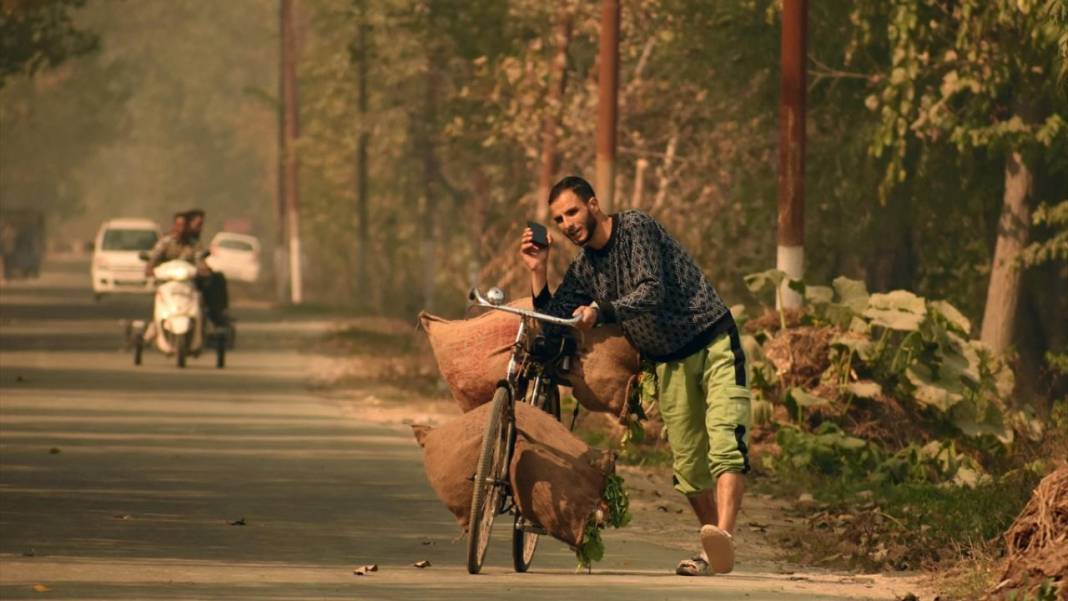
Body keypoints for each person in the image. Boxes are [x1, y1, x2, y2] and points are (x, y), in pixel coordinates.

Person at [520, 175, 751, 576]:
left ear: (593, 204)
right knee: (688, 465)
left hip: (713, 339)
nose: (567, 223)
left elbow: (652, 291)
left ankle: (724, 536)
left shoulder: (636, 227)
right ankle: (716, 549)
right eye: (558, 220)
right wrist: (538, 271)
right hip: (668, 361)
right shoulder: (583, 269)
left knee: (726, 439)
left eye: (572, 211)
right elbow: (554, 323)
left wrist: (600, 311)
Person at [184, 209, 231, 327]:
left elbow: (200, 259)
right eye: (198, 225)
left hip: (192, 277)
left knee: (217, 277)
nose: (200, 228)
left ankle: (216, 312)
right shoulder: (169, 240)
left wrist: (206, 269)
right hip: (174, 278)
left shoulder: (195, 242)